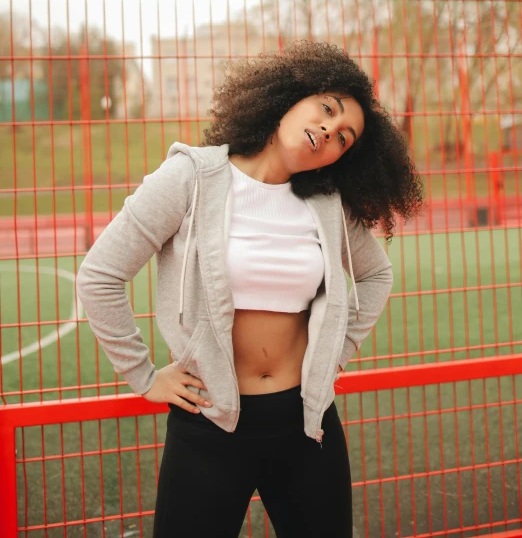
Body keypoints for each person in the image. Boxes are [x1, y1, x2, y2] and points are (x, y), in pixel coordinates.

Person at [76, 40, 424, 537]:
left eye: (345, 137)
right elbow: (101, 274)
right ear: (290, 95)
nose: (330, 130)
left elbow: (377, 274)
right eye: (327, 109)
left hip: (307, 422)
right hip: (209, 421)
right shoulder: (190, 177)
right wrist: (144, 376)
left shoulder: (328, 203)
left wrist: (339, 349)